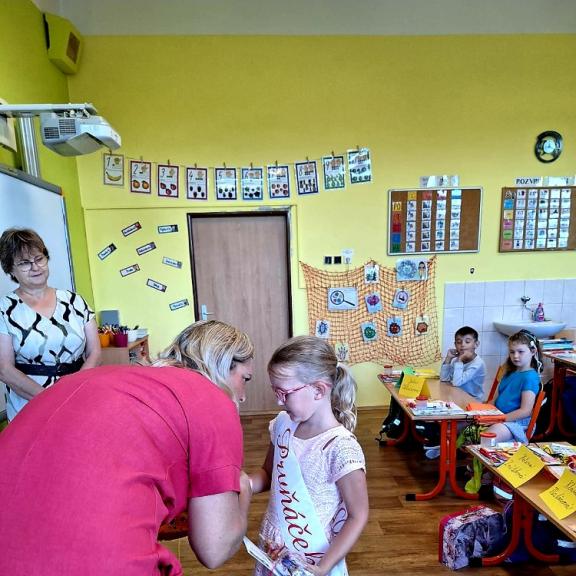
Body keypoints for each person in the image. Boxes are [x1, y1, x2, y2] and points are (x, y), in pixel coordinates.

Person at [0, 319, 255, 575]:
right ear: (222, 364)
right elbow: (214, 548)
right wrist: (243, 489)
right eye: (245, 379)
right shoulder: (212, 400)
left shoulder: (99, 377)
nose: (243, 396)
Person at [249, 336, 368, 576]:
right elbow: (268, 474)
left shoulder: (341, 447)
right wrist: (245, 484)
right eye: (275, 391)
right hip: (274, 548)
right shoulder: (282, 424)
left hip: (313, 559)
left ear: (318, 390)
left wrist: (323, 567)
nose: (278, 401)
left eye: (285, 393)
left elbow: (358, 514)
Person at [0, 227, 101, 421]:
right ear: (10, 269)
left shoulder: (75, 301)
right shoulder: (4, 309)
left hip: (79, 397)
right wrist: (51, 399)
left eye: (39, 258)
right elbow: (4, 368)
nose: (35, 267)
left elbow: (95, 353)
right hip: (30, 407)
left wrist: (75, 391)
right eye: (25, 263)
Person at [422, 326, 486, 458]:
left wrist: (459, 361)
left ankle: (445, 446)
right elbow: (444, 379)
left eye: (467, 341)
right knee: (430, 412)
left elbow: (457, 382)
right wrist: (448, 359)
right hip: (456, 399)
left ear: (476, 344)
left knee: (447, 424)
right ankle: (440, 442)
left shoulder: (477, 363)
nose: (462, 345)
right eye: (458, 342)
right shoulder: (457, 360)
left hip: (471, 405)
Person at [484, 329, 541, 443]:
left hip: (517, 423)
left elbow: (525, 411)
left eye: (520, 352)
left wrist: (499, 419)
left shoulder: (529, 377)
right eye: (512, 352)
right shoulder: (509, 372)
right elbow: (495, 400)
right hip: (500, 416)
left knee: (489, 435)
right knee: (463, 423)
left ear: (533, 351)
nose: (515, 356)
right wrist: (484, 413)